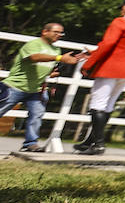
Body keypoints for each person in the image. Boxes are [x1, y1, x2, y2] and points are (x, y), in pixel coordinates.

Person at [76, 0, 125, 155]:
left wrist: (89, 64)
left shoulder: (121, 22)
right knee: (108, 105)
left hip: (110, 68)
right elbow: (122, 47)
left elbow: (108, 44)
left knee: (98, 103)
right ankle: (91, 140)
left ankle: (99, 144)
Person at [2, 23, 85, 152]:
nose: (59, 35)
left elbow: (47, 68)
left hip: (37, 90)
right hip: (15, 86)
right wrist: (60, 58)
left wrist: (55, 71)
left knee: (36, 116)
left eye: (61, 33)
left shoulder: (55, 50)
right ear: (45, 32)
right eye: (56, 32)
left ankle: (30, 144)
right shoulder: (33, 44)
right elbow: (34, 57)